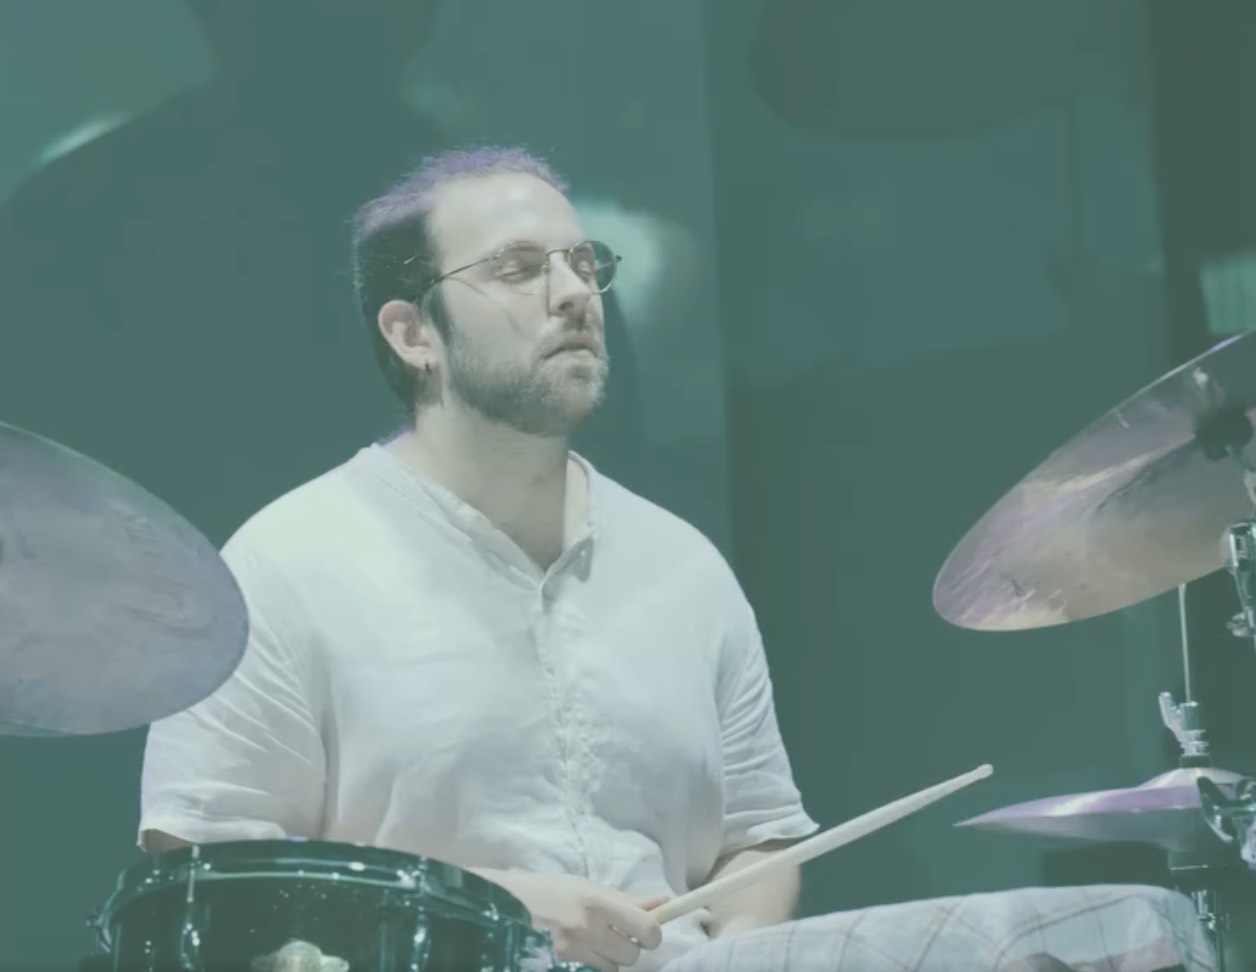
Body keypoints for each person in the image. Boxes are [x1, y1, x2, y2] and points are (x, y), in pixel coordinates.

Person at [138, 145, 818, 972]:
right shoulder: (282, 565)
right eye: (518, 269)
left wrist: (742, 944)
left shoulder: (688, 567)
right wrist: (487, 908)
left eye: (581, 262)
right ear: (413, 332)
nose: (574, 294)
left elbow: (759, 839)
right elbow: (206, 875)